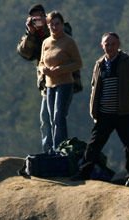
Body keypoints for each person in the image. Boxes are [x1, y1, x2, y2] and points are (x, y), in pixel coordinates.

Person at [75, 33, 129, 185]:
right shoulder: (100, 64)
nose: (110, 47)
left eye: (113, 44)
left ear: (119, 44)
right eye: (107, 44)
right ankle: (84, 173)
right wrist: (94, 110)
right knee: (94, 145)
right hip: (104, 113)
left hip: (124, 113)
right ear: (102, 46)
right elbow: (95, 88)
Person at [17, 5, 81, 153]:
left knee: (58, 116)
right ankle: (49, 151)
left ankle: (60, 149)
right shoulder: (37, 37)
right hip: (47, 84)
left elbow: (62, 36)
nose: (38, 21)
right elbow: (25, 53)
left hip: (65, 81)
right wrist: (30, 33)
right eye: (35, 19)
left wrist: (46, 27)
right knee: (46, 119)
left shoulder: (60, 28)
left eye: (41, 17)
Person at [38, 11, 83, 152]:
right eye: (51, 24)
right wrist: (43, 69)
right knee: (51, 118)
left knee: (59, 116)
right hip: (50, 85)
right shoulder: (46, 42)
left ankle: (60, 148)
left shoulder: (69, 42)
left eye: (57, 24)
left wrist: (61, 69)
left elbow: (78, 63)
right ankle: (52, 149)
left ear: (62, 25)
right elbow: (40, 62)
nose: (54, 27)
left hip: (65, 84)